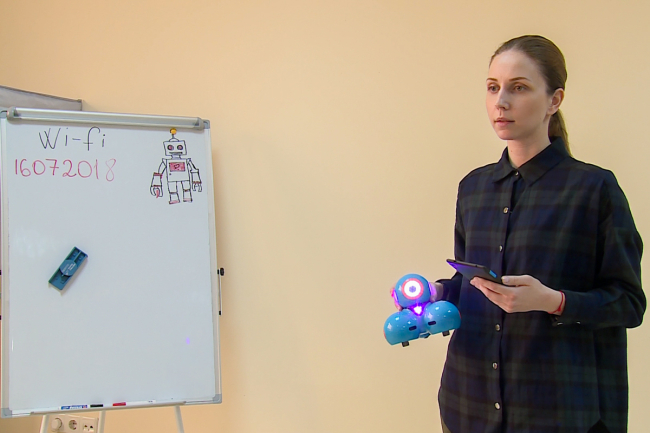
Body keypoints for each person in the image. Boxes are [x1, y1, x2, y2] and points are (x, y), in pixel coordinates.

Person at [432, 35, 645, 433]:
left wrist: (554, 301)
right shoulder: (473, 188)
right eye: (493, 87)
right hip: (469, 404)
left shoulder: (594, 189)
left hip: (557, 411)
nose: (501, 101)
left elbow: (629, 303)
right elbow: (473, 286)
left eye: (519, 88)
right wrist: (436, 293)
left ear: (554, 100)